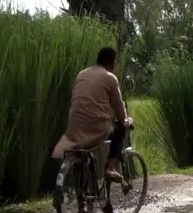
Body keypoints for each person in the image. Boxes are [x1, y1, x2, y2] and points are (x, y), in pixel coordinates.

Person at [51, 47, 132, 181]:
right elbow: (119, 107)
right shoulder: (110, 77)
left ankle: (82, 187)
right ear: (113, 63)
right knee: (121, 129)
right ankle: (111, 168)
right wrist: (126, 120)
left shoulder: (81, 74)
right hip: (96, 128)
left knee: (82, 149)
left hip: (74, 128)